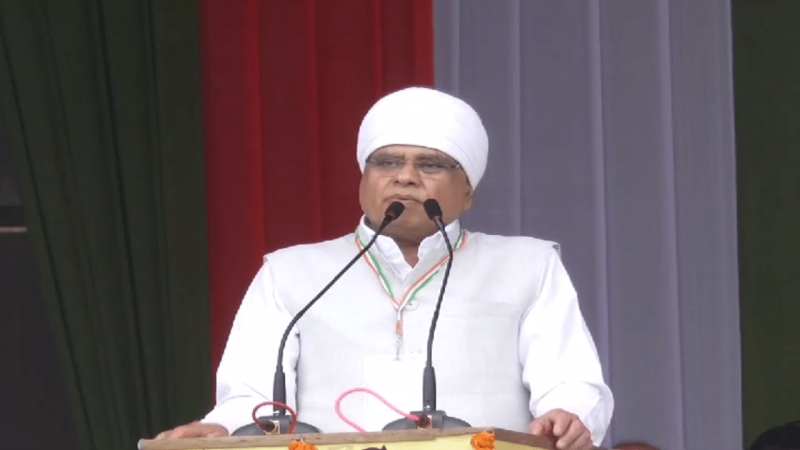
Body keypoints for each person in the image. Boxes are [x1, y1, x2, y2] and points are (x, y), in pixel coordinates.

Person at [155, 87, 614, 450]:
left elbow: (570, 382)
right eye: (387, 162)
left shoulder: (527, 266)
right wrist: (224, 427)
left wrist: (569, 415)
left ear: (468, 191)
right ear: (363, 180)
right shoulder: (291, 273)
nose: (406, 177)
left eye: (431, 164)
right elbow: (253, 397)